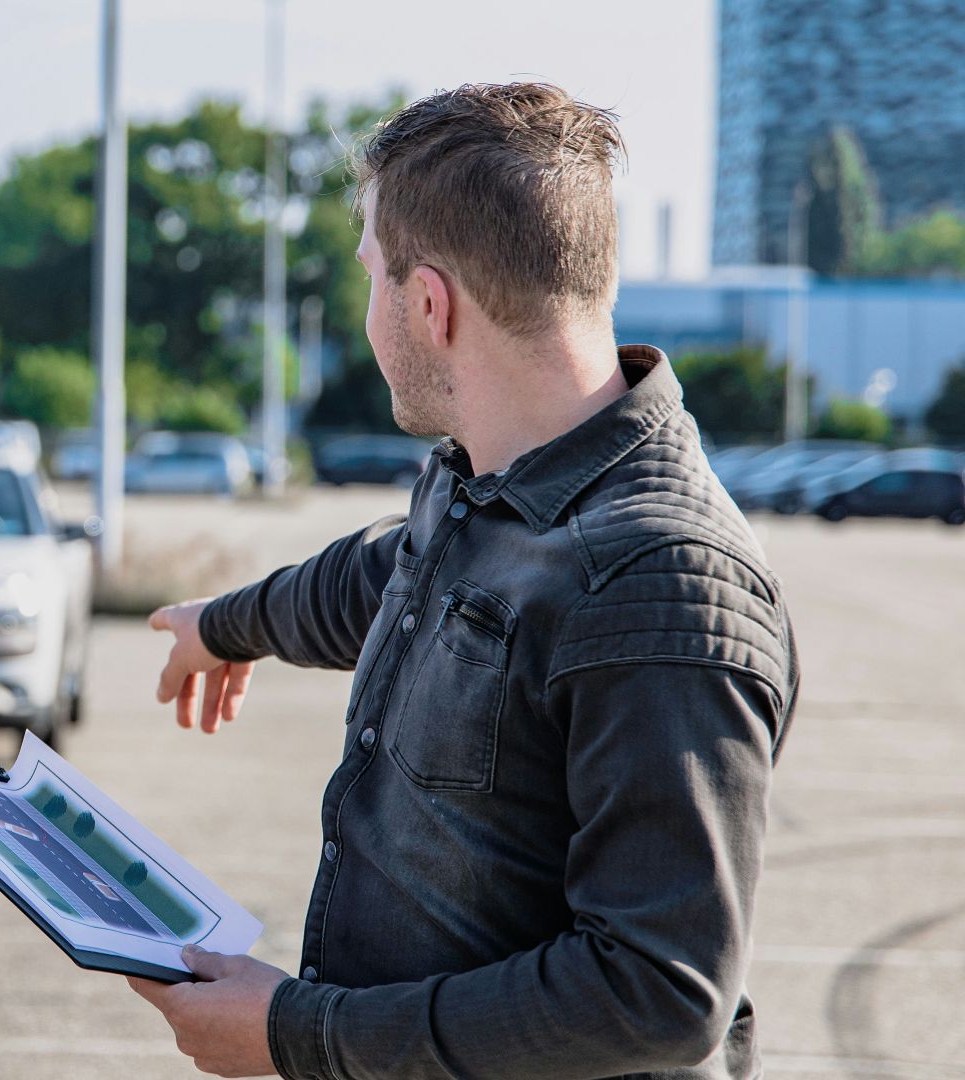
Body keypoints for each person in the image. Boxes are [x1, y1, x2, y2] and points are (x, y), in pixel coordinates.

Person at [131, 83, 797, 1079]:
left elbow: (658, 993)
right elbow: (389, 575)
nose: (368, 314)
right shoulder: (485, 480)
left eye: (371, 280)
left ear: (430, 303)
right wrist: (229, 624)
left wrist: (298, 1035)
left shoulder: (663, 584)